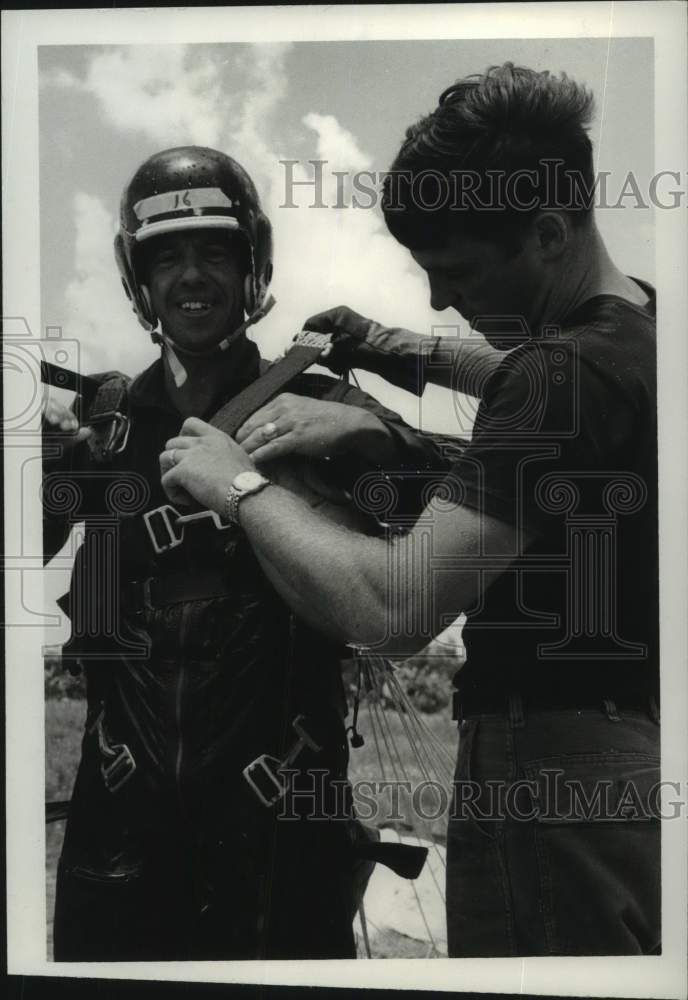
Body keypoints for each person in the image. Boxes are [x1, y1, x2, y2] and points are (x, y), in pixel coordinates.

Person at [161, 65, 661, 957]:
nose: (437, 299)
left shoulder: (560, 376)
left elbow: (392, 609)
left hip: (544, 768)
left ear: (547, 233)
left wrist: (236, 484)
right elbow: (519, 374)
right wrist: (388, 351)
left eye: (455, 273)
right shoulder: (644, 330)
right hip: (628, 757)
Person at [42, 145, 444, 961]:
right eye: (168, 256)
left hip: (279, 840)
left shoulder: (321, 404)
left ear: (251, 265)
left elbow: (479, 497)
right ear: (139, 278)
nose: (191, 275)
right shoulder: (103, 432)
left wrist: (374, 431)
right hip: (120, 835)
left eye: (214, 252)